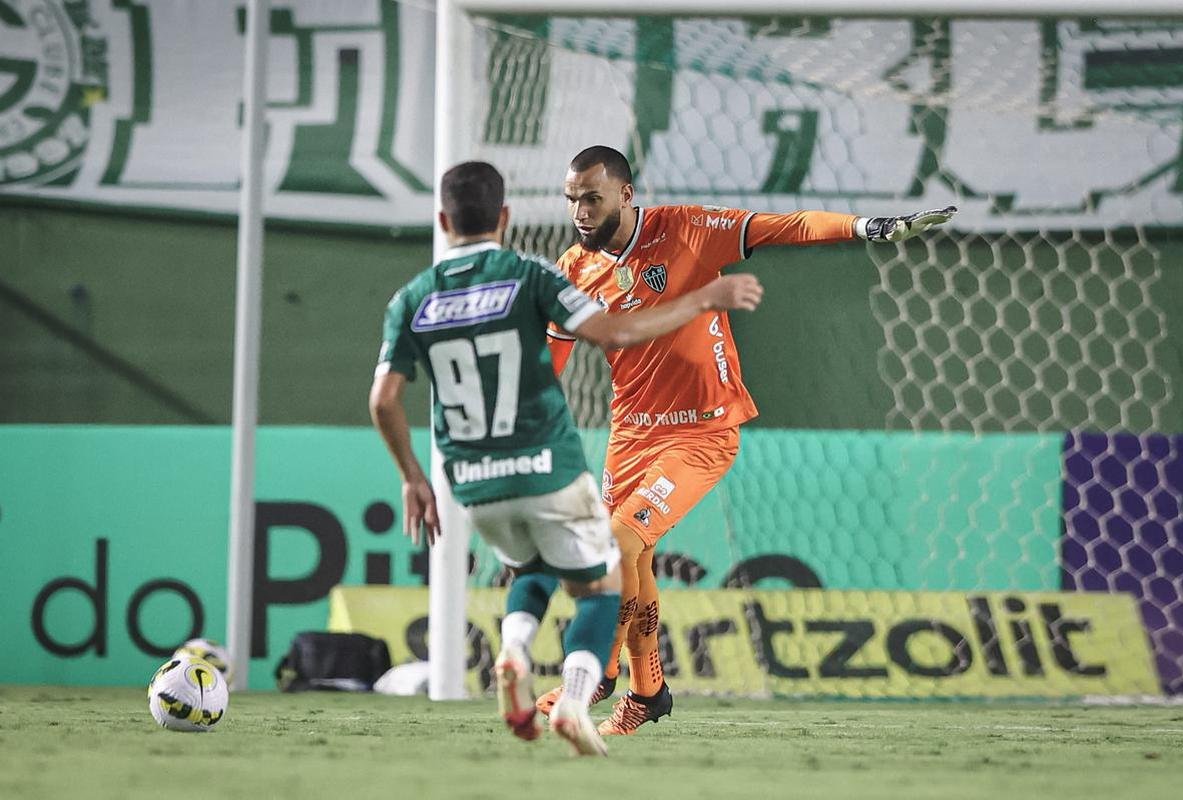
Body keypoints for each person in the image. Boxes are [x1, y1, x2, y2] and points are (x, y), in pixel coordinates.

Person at [537, 145, 956, 735]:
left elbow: (789, 226)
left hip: (703, 432)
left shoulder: (684, 230)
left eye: (592, 197)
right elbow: (548, 364)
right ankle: (649, 690)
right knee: (636, 558)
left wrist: (867, 226)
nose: (580, 211)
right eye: (573, 199)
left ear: (626, 195)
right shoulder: (574, 270)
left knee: (616, 545)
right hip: (630, 434)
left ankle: (596, 677)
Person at [369, 160, 764, 757]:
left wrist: (412, 478)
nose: (580, 212)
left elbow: (383, 400)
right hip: (546, 465)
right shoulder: (532, 274)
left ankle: (539, 657)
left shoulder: (411, 297)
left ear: (442, 219)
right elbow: (615, 333)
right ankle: (585, 689)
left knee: (533, 569)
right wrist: (704, 297)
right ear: (504, 217)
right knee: (606, 575)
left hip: (474, 481)